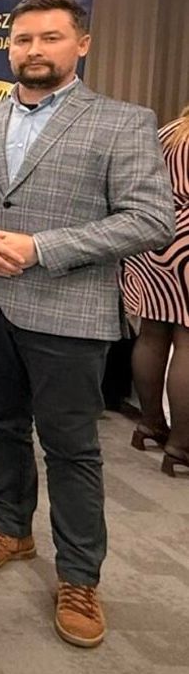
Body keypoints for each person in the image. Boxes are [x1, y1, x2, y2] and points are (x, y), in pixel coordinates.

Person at [0, 0, 173, 648]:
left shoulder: (123, 122)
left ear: (82, 44)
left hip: (70, 310)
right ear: (9, 47)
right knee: (1, 426)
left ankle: (79, 576)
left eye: (50, 37)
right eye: (23, 39)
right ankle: (10, 528)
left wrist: (42, 248)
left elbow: (150, 220)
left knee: (71, 448)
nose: (34, 50)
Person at [121, 103, 189, 478]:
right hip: (187, 247)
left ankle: (149, 424)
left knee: (151, 333)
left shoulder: (167, 132)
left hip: (153, 241)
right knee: (188, 344)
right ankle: (182, 444)